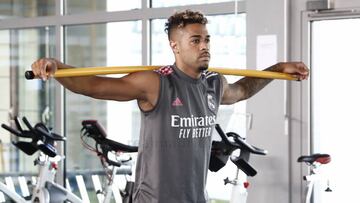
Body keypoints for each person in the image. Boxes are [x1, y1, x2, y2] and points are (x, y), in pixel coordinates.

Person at [31, 9, 308, 203]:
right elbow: (95, 86)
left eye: (207, 39)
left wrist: (278, 69)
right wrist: (58, 69)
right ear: (175, 46)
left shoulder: (213, 83)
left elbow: (242, 90)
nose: (204, 46)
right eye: (196, 40)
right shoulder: (155, 83)